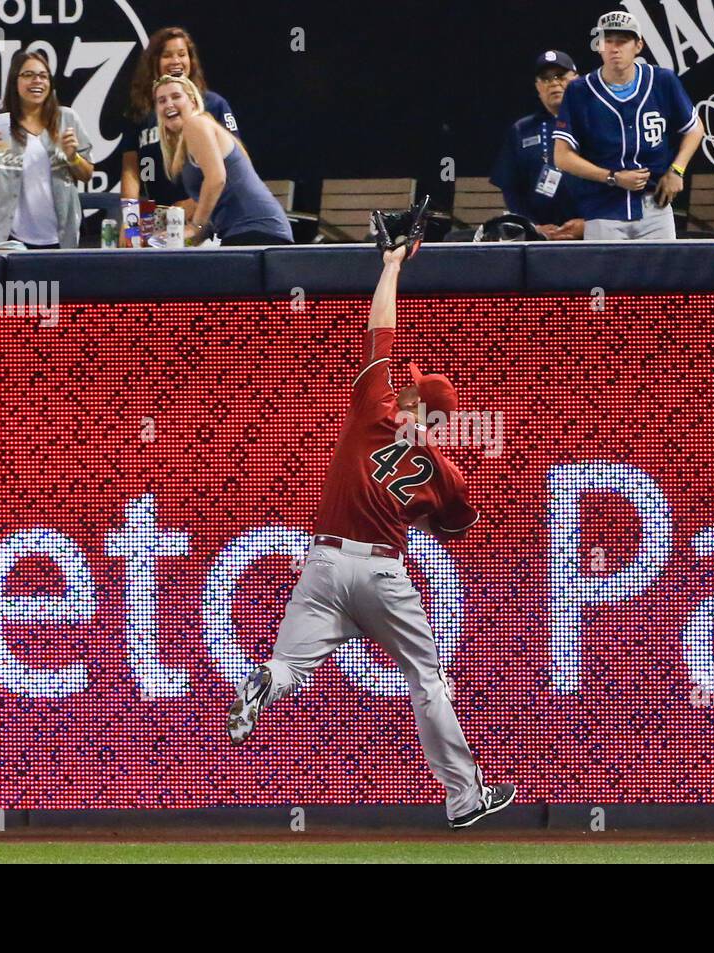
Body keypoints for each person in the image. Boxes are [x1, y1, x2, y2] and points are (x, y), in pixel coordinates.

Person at [226, 205, 515, 830]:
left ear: (413, 400)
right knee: (426, 677)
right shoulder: (445, 471)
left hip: (324, 563)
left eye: (414, 383)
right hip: (384, 574)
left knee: (291, 665)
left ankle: (265, 684)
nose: (407, 380)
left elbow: (379, 329)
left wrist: (390, 267)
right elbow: (457, 525)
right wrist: (430, 481)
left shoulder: (372, 409)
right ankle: (465, 797)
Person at [553, 10, 705, 240]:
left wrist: (677, 170)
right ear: (599, 46)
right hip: (603, 206)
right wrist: (612, 177)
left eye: (622, 41)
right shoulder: (579, 90)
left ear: (638, 45)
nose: (615, 48)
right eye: (608, 41)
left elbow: (695, 128)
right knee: (606, 277)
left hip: (655, 206)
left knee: (664, 275)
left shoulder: (662, 80)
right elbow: (562, 157)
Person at [0, 50, 94, 249]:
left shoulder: (66, 119)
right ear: (14, 82)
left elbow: (86, 175)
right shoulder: (0, 122)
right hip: (13, 239)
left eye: (43, 76)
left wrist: (73, 157)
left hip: (61, 237)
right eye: (28, 75)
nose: (37, 81)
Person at [153, 75, 292, 245]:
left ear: (193, 103)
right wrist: (182, 236)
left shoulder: (196, 124)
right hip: (250, 231)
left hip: (257, 231)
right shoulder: (188, 143)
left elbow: (216, 179)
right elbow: (220, 201)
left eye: (176, 96)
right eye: (161, 100)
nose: (169, 104)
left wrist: (195, 226)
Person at [122, 27, 241, 220]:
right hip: (159, 216)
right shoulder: (140, 110)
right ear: (154, 62)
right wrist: (129, 216)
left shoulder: (213, 104)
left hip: (208, 214)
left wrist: (195, 203)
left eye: (182, 54)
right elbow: (130, 170)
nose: (176, 61)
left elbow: (234, 164)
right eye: (167, 55)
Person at [490, 50, 587, 240]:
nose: (554, 83)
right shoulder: (521, 130)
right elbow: (511, 188)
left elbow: (613, 180)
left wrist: (590, 223)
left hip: (592, 233)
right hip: (539, 239)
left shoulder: (599, 123)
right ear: (538, 87)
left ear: (577, 79)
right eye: (545, 78)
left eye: (560, 76)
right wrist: (533, 227)